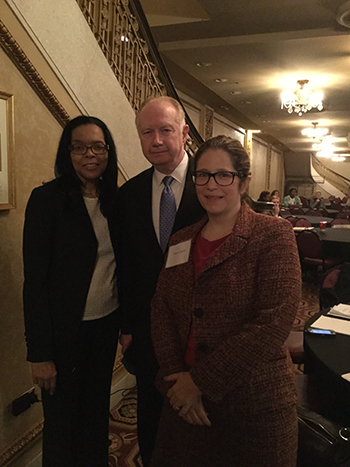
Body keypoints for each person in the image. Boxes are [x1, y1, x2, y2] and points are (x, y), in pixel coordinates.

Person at [150, 135, 301, 467]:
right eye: (202, 175)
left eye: (223, 175)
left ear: (244, 181)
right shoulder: (182, 239)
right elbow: (161, 308)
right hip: (184, 404)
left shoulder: (274, 234)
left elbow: (274, 321)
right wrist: (177, 378)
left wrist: (198, 382)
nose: (210, 185)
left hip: (254, 406)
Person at [23, 116, 120, 467]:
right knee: (62, 424)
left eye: (97, 146)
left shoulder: (115, 200)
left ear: (108, 151)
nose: (89, 154)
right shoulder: (47, 200)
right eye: (79, 147)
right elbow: (34, 282)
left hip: (104, 327)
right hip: (63, 334)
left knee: (96, 416)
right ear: (68, 153)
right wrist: (40, 353)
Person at [117, 96, 205, 466]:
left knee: (203, 425)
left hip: (203, 332)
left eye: (165, 130)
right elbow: (126, 267)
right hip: (149, 333)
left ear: (184, 133)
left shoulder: (211, 185)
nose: (156, 140)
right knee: (152, 422)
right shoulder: (128, 195)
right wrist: (126, 328)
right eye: (147, 132)